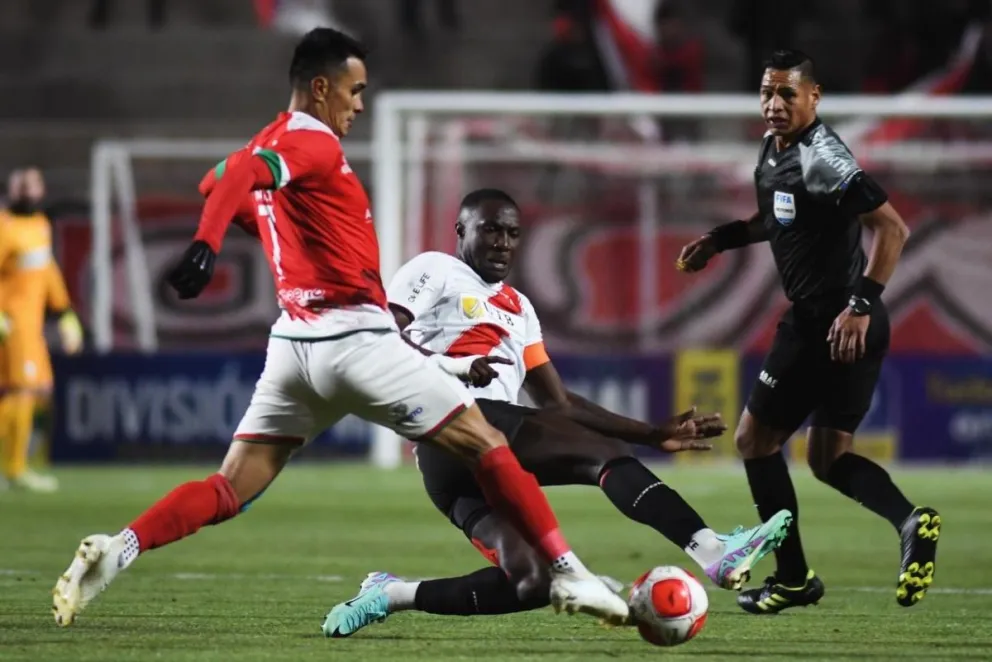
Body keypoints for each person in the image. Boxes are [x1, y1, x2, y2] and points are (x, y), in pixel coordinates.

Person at [51, 28, 628, 629]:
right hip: (356, 339)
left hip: (294, 348)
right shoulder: (315, 142)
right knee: (487, 444)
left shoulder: (272, 139)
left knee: (229, 488)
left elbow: (217, 180)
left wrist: (263, 229)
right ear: (321, 87)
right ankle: (569, 573)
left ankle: (119, 548)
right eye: (354, 91)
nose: (359, 105)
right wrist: (206, 243)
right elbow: (239, 178)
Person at [320, 188, 792, 637]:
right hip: (451, 419)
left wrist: (651, 433)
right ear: (459, 231)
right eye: (489, 230)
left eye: (511, 233)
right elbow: (384, 335)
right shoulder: (436, 269)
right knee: (601, 454)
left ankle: (391, 594)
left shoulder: (519, 308)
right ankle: (712, 549)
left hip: (461, 459)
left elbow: (557, 402)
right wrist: (455, 366)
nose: (502, 243)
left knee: (534, 582)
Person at [676, 49, 940, 614]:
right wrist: (720, 239)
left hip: (830, 322)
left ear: (813, 98)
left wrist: (860, 304)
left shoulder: (823, 156)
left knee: (753, 441)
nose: (773, 104)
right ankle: (909, 519)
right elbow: (778, 216)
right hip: (851, 326)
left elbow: (893, 229)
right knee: (827, 457)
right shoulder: (776, 149)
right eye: (767, 93)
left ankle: (793, 578)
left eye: (786, 94)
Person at [0, 168, 83, 492]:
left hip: (32, 324)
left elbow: (47, 272)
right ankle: (16, 469)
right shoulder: (5, 228)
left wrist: (64, 313)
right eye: (21, 186)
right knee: (24, 390)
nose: (27, 191)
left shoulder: (40, 226)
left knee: (39, 391)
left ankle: (16, 466)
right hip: (12, 324)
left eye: (32, 185)